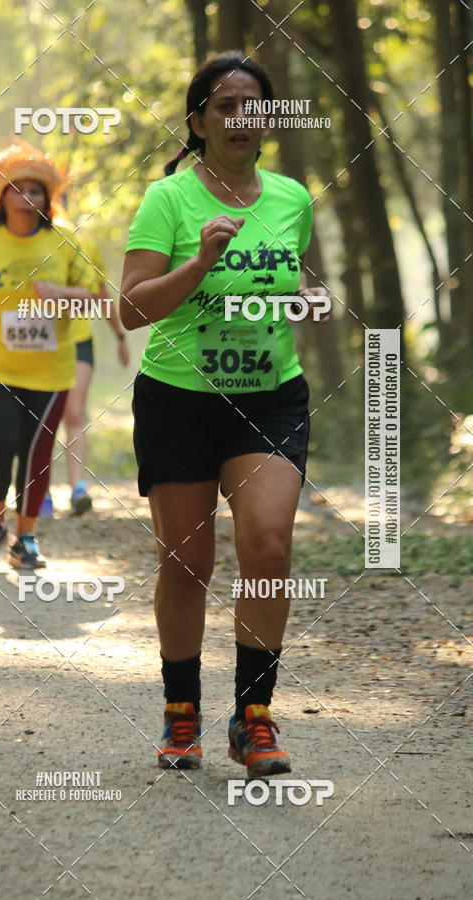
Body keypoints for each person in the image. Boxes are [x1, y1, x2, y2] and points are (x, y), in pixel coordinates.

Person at [120, 52, 330, 776]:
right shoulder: (167, 200)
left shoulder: (292, 199)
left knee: (268, 547)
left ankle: (255, 720)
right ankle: (182, 715)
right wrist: (201, 264)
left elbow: (289, 276)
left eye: (254, 105)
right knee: (186, 564)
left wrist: (302, 298)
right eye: (226, 106)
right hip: (178, 400)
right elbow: (131, 308)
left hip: (269, 398)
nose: (242, 118)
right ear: (199, 121)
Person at [0, 141, 98, 569]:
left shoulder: (64, 240)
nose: (26, 198)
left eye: (36, 191)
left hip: (50, 370)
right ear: (2, 196)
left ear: (47, 198)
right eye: (16, 189)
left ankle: (26, 538)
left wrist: (61, 292)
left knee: (36, 451)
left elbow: (92, 293)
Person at [41, 232, 130, 518]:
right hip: (35, 341)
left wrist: (119, 335)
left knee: (74, 411)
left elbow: (100, 294)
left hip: (77, 339)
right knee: (41, 415)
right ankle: (39, 490)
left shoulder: (83, 242)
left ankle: (78, 487)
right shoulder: (21, 241)